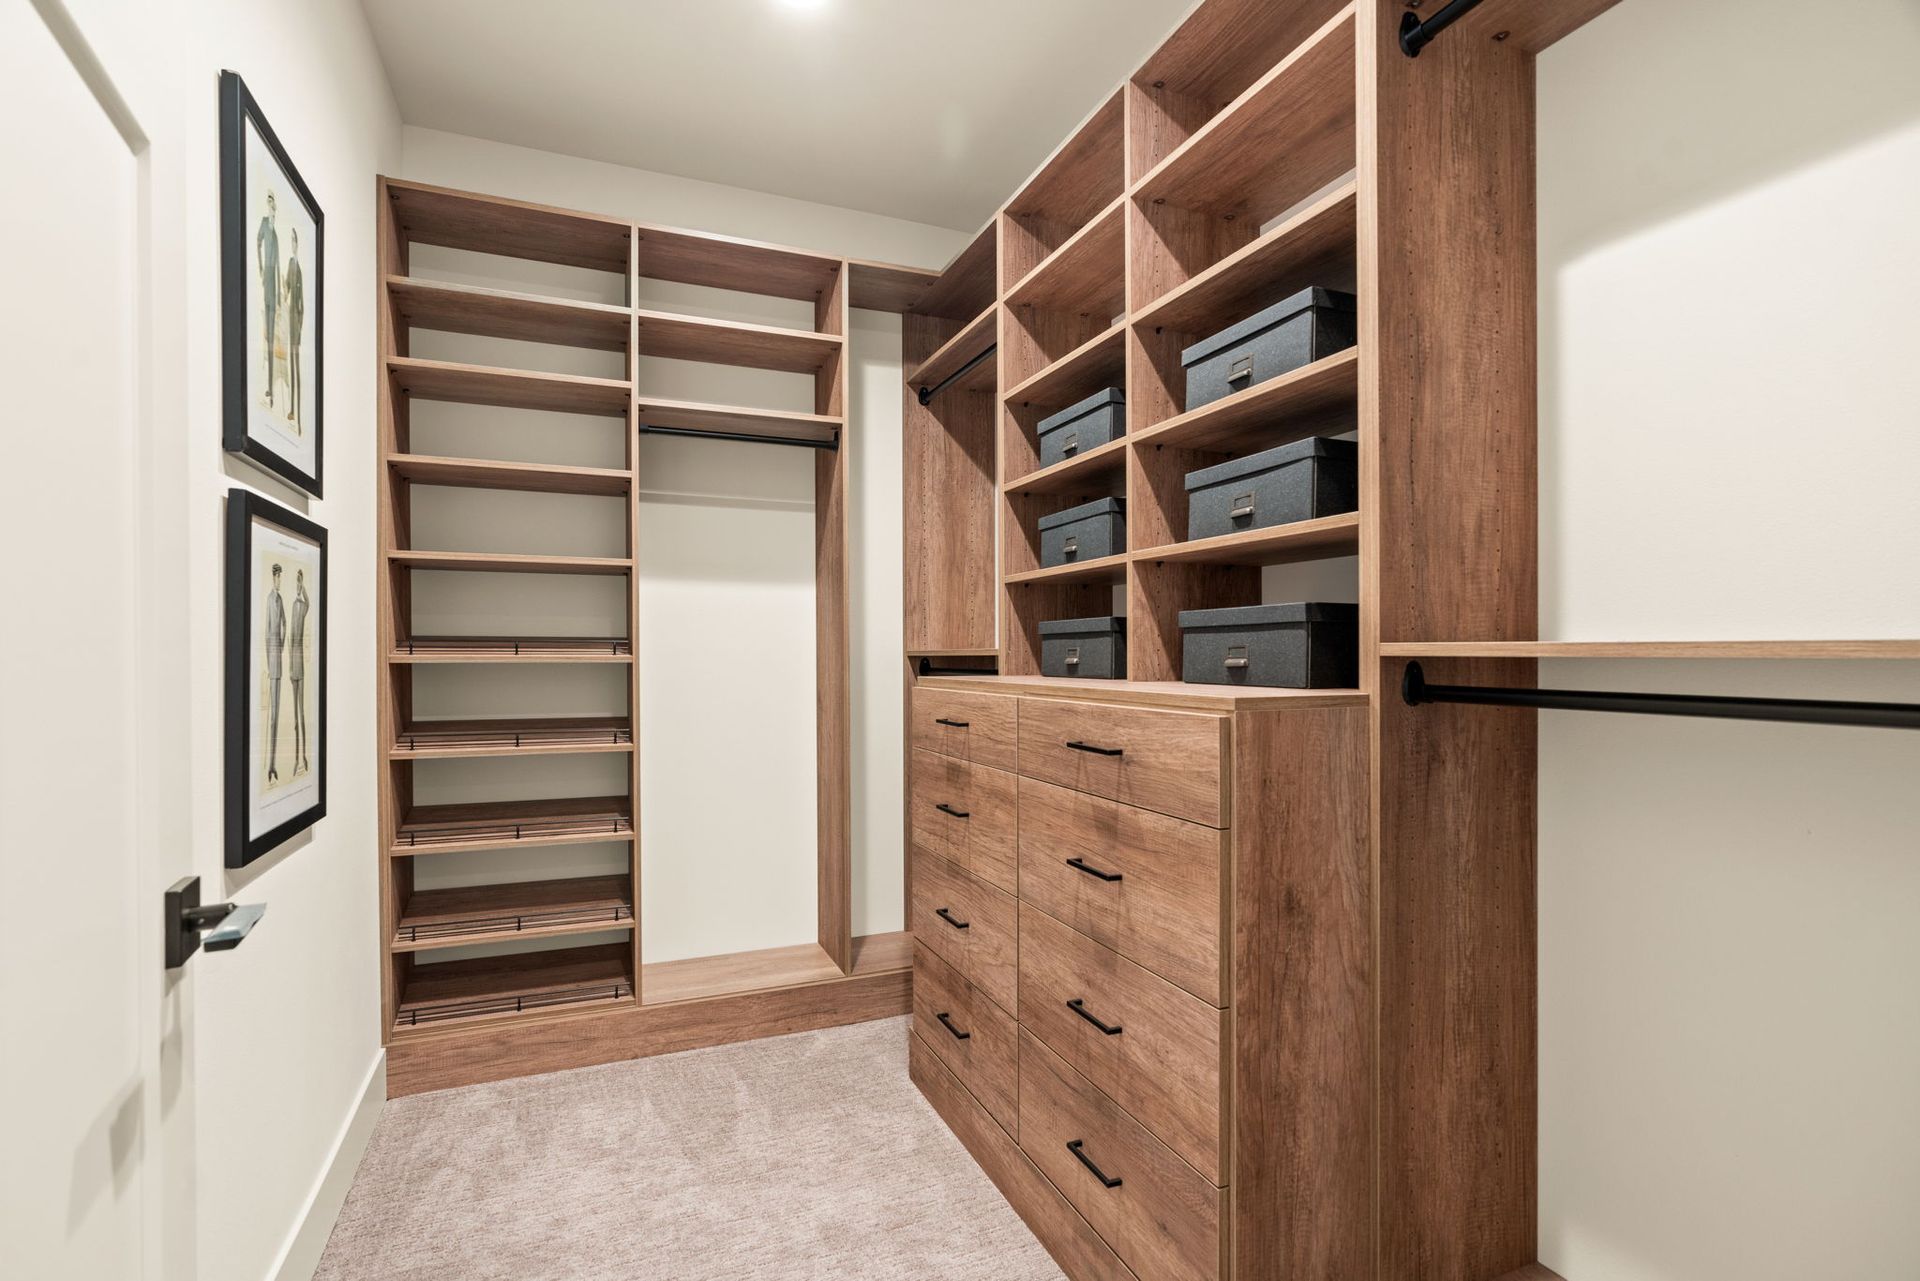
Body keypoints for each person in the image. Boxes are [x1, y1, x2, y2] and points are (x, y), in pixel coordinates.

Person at [256, 190, 280, 407]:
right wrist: (261, 268)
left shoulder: (275, 234)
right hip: (265, 284)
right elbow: (257, 244)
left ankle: (271, 390)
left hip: (273, 289)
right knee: (264, 335)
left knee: (272, 338)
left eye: (272, 202)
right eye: (269, 201)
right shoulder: (264, 224)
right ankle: (267, 386)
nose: (270, 205)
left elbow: (279, 264)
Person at [265, 563, 286, 783]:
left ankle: (273, 762)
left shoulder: (280, 601)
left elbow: (284, 626)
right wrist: (271, 660)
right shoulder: (271, 600)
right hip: (274, 665)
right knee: (272, 716)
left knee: (277, 713)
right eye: (278, 577)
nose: (279, 580)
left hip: (280, 662)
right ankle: (270, 763)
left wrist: (280, 650)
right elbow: (267, 631)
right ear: (274, 577)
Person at [283, 226, 305, 430]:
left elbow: (303, 305)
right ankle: (292, 409)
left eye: (293, 240)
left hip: (297, 323)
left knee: (296, 367)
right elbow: (285, 288)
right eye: (290, 240)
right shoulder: (291, 265)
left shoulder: (298, 268)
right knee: (291, 366)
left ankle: (295, 412)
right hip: (291, 320)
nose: (292, 244)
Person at [289, 568, 310, 775]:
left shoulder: (302, 606)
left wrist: (303, 587)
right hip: (291, 667)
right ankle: (296, 758)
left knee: (301, 713)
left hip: (300, 666)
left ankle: (302, 755)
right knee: (295, 717)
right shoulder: (292, 607)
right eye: (295, 584)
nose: (296, 587)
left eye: (299, 584)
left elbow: (309, 603)